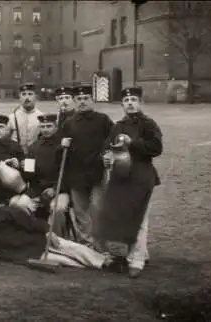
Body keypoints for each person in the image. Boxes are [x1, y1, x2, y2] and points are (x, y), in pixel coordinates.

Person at [96, 87, 163, 278]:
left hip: (141, 176)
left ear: (140, 102)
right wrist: (106, 157)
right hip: (120, 177)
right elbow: (106, 148)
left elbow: (157, 148)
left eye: (134, 99)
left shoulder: (148, 124)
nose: (130, 103)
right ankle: (129, 254)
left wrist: (132, 142)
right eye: (126, 100)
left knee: (139, 218)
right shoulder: (117, 126)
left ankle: (137, 261)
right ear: (122, 104)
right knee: (121, 217)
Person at [0, 187, 117, 270]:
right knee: (68, 262)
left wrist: (47, 230)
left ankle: (106, 262)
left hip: (37, 240)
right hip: (24, 254)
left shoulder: (4, 212)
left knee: (72, 248)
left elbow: (30, 222)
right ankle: (100, 265)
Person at [59, 85, 114, 247]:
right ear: (75, 101)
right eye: (79, 99)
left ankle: (100, 243)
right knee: (80, 211)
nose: (82, 102)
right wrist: (62, 144)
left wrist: (108, 154)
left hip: (97, 172)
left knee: (98, 208)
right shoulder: (69, 123)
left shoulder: (103, 120)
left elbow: (112, 140)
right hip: (76, 174)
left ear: (92, 100)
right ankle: (86, 243)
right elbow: (61, 148)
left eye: (86, 99)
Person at [24, 114, 72, 237]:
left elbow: (70, 172)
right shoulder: (34, 147)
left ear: (56, 127)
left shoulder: (64, 146)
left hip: (60, 189)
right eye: (42, 126)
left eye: (49, 126)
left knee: (58, 209)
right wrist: (24, 167)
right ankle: (33, 237)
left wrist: (55, 189)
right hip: (38, 189)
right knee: (20, 205)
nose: (45, 129)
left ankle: (55, 241)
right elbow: (29, 176)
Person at [9, 83, 44, 153]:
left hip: (35, 155)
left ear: (36, 97)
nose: (27, 98)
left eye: (30, 94)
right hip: (16, 155)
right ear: (20, 98)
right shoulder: (12, 117)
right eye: (23, 94)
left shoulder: (42, 117)